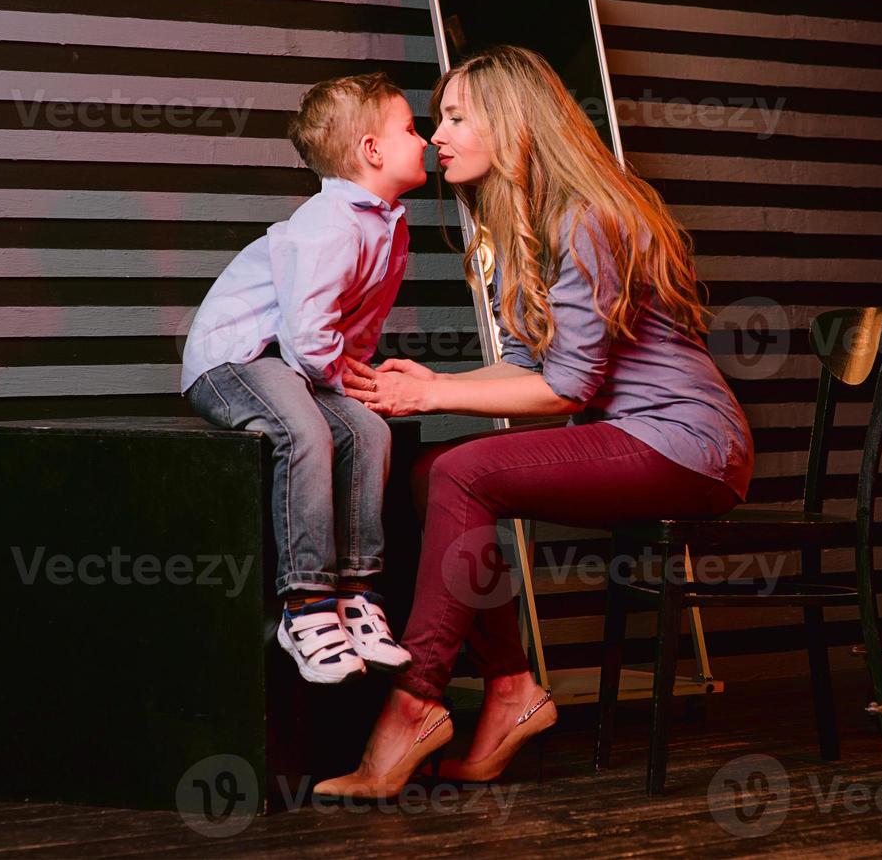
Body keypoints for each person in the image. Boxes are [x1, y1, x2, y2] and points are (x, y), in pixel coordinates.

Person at [313, 46, 753, 799]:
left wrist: (438, 397)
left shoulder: (587, 218)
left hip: (687, 442)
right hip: (631, 435)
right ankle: (512, 690)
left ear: (513, 127)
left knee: (458, 468)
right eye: (437, 116)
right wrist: (433, 382)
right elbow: (525, 365)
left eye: (455, 116)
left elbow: (566, 391)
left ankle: (415, 705)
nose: (437, 132)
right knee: (434, 473)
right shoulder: (516, 226)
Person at [180, 72, 427, 686]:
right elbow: (309, 330)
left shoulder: (387, 222)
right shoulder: (330, 222)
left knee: (369, 433)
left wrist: (358, 386)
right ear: (372, 150)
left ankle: (356, 594)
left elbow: (357, 326)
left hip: (296, 362)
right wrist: (345, 380)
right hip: (235, 359)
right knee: (305, 435)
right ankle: (306, 604)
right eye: (410, 128)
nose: (424, 140)